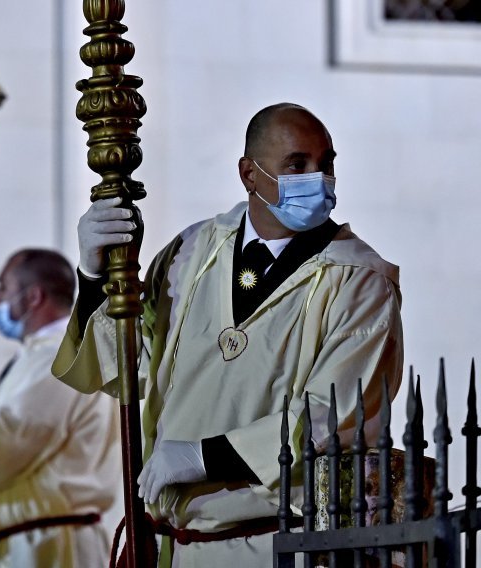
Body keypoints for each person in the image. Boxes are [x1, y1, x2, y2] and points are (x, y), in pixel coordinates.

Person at [51, 102, 404, 565]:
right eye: (297, 164)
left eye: (326, 164)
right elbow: (133, 372)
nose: (317, 179)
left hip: (274, 542)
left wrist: (203, 457)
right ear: (249, 174)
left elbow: (334, 417)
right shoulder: (190, 252)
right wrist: (94, 276)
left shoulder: (359, 277)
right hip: (173, 545)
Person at [0, 248, 122, 566]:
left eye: (3, 287)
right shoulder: (36, 357)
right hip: (23, 544)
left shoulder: (59, 359)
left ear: (33, 297)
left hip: (44, 549)